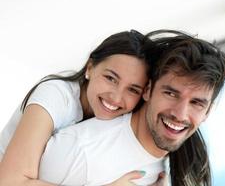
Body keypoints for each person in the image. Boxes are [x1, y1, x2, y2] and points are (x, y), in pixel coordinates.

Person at [22, 30, 225, 186]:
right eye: (170, 93)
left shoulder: (175, 166)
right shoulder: (82, 148)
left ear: (208, 112)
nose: (180, 114)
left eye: (197, 103)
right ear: (148, 90)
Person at [0, 30, 159, 185]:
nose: (116, 98)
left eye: (132, 90)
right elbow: (11, 181)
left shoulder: (122, 125)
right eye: (110, 78)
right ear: (90, 68)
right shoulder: (55, 95)